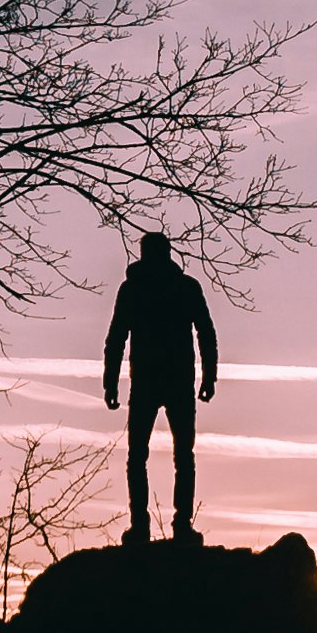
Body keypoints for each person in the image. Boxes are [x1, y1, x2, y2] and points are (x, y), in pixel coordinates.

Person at [102, 232, 218, 546]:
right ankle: (169, 526)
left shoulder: (137, 289)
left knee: (149, 455)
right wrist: (209, 377)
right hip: (169, 380)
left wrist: (110, 381)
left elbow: (116, 338)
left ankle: (151, 526)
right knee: (174, 456)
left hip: (153, 381)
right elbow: (205, 333)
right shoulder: (180, 287)